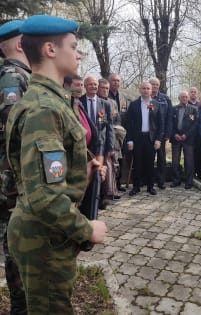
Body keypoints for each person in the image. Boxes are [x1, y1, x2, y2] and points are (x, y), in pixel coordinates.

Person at [5, 15, 107, 314]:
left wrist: (81, 173)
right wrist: (87, 229)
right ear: (50, 49)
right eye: (74, 46)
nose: (78, 53)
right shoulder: (44, 108)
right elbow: (45, 197)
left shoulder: (48, 100)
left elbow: (44, 175)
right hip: (43, 240)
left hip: (45, 235)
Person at [0, 19, 31, 315]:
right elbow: (12, 125)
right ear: (21, 44)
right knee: (16, 245)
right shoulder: (12, 76)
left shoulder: (19, 74)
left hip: (13, 177)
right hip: (11, 179)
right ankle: (20, 307)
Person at [80, 75, 114, 209]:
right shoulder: (79, 102)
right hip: (85, 145)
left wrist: (110, 146)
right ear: (85, 86)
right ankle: (86, 200)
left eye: (95, 84)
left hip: (101, 145)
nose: (94, 87)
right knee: (87, 172)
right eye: (91, 84)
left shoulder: (105, 104)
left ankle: (100, 199)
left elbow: (109, 126)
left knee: (100, 172)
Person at [126, 81, 164, 196]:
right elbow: (129, 124)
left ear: (151, 90)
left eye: (148, 88)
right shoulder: (134, 104)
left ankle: (150, 187)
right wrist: (130, 140)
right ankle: (136, 187)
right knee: (137, 164)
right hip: (138, 139)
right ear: (140, 90)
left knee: (150, 164)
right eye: (144, 88)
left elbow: (161, 125)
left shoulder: (157, 104)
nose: (146, 91)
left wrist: (158, 139)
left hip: (151, 139)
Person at [97, 78, 124, 200]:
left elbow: (117, 119)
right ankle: (100, 194)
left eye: (107, 88)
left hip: (112, 138)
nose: (105, 90)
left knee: (113, 166)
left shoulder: (112, 103)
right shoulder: (94, 101)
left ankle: (112, 190)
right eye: (102, 88)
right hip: (98, 140)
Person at [170, 91, 199, 189]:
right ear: (179, 98)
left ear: (188, 98)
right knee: (175, 161)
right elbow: (170, 124)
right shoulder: (174, 109)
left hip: (188, 139)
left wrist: (186, 135)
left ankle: (189, 181)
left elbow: (195, 125)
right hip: (176, 138)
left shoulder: (194, 109)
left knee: (189, 161)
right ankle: (176, 180)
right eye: (182, 97)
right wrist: (174, 134)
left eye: (186, 97)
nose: (184, 98)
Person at [150, 77, 172, 189]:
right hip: (149, 134)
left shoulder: (165, 99)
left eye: (156, 84)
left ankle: (161, 181)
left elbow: (169, 117)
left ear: (159, 85)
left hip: (161, 133)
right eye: (152, 84)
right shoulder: (146, 98)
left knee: (161, 158)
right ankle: (148, 180)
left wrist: (168, 133)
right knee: (149, 157)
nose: (154, 86)